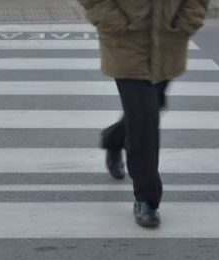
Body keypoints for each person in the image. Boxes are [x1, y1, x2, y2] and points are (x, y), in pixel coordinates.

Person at [79, 0, 210, 228]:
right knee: (144, 121)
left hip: (169, 40)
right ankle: (147, 198)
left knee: (152, 107)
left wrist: (188, 21)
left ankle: (114, 139)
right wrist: (113, 21)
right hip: (125, 42)